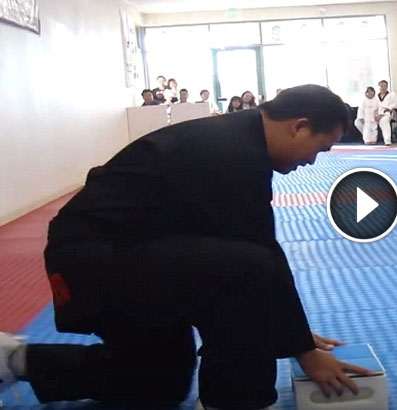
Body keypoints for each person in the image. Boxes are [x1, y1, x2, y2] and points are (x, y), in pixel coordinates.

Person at [0, 85, 371, 410]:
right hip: (91, 264)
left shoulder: (240, 142)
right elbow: (261, 256)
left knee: (161, 382)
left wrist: (295, 335)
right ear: (299, 126)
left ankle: (14, 360)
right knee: (247, 270)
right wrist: (303, 350)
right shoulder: (231, 153)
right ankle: (234, 401)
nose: (311, 161)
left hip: (130, 256)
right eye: (319, 149)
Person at [376, 80, 397, 146]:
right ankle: (370, 138)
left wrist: (387, 109)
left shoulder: (392, 95)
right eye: (381, 86)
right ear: (379, 87)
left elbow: (396, 104)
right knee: (360, 122)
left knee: (384, 121)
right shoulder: (375, 97)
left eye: (384, 86)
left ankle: (387, 140)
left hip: (387, 112)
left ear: (387, 87)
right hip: (377, 113)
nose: (383, 88)